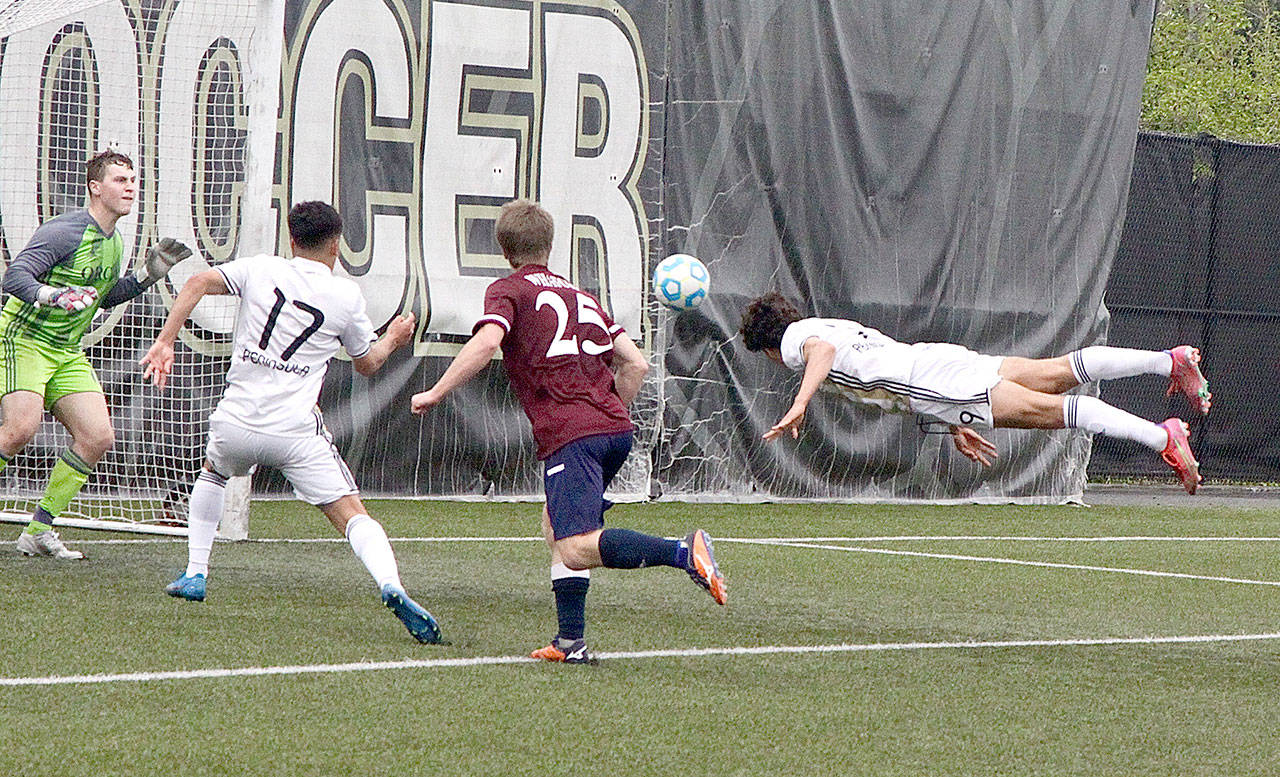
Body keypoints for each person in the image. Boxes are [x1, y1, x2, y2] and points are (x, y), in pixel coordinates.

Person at [410, 198, 726, 664]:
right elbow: (635, 363)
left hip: (572, 433)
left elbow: (489, 340)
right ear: (551, 246)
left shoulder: (509, 290)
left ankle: (683, 552)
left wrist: (436, 391)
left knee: (576, 548)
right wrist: (606, 412)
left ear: (504, 248)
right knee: (557, 527)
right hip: (614, 430)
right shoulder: (582, 297)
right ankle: (569, 642)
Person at [140, 200, 442, 644]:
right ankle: (391, 585)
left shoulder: (261, 269)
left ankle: (195, 572)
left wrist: (166, 342)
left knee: (214, 472)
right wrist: (394, 338)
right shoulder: (344, 297)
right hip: (294, 432)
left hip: (236, 422)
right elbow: (368, 364)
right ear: (336, 245)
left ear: (292, 239)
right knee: (350, 514)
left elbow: (196, 282)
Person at [739, 292, 1208, 494]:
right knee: (1056, 371)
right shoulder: (818, 321)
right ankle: (1169, 361)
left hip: (936, 382)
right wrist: (954, 424)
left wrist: (799, 403)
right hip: (937, 365)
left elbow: (820, 352)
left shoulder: (794, 341)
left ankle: (1163, 438)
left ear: (767, 344)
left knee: (1052, 411)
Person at [1, 150, 192, 559]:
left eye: (133, 180)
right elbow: (15, 276)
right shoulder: (65, 231)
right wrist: (52, 294)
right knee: (20, 430)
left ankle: (38, 531)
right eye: (120, 180)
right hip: (25, 339)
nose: (130, 187)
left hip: (65, 352)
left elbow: (106, 296)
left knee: (97, 437)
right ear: (95, 187)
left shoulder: (114, 240)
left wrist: (146, 275)